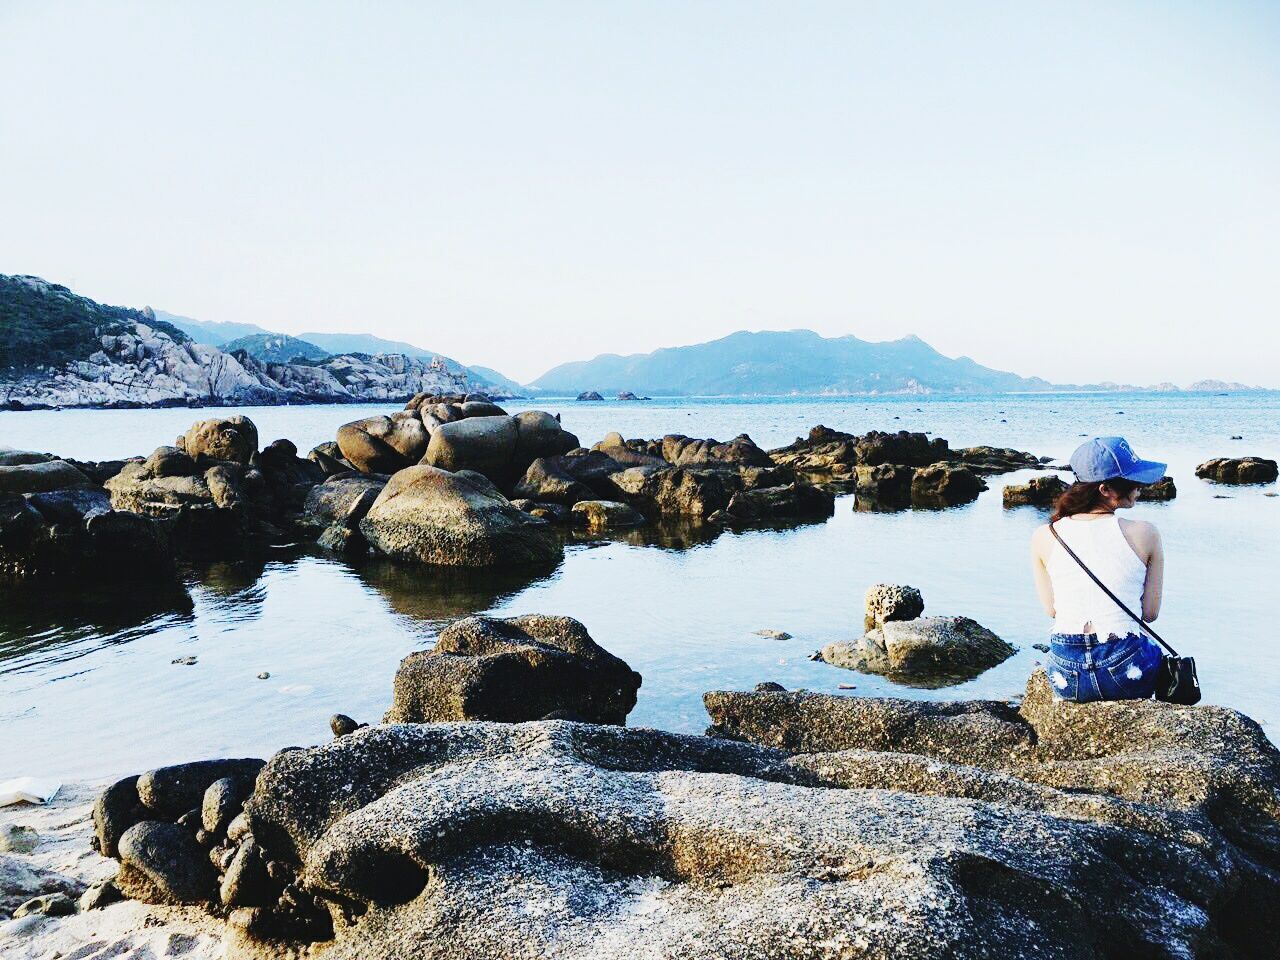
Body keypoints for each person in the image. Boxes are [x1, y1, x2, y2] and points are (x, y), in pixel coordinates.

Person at [1029, 437, 1167, 702]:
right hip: (1127, 670)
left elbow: (1052, 610)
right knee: (1152, 651)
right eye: (1132, 481)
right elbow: (1149, 614)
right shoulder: (1146, 533)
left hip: (1066, 672)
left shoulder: (1044, 535)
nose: (1139, 487)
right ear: (1105, 489)